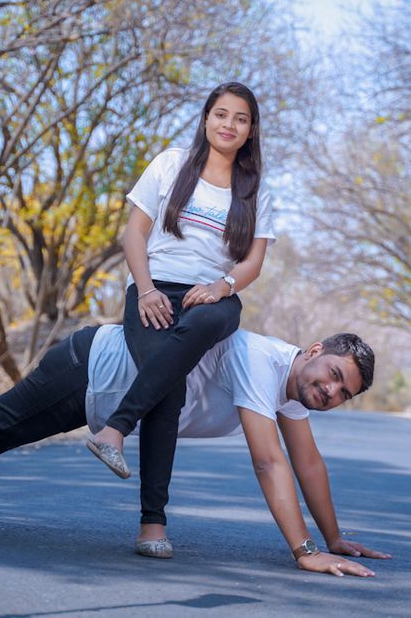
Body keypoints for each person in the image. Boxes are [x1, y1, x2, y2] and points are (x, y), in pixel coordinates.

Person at [0, 325, 390, 576]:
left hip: (96, 392)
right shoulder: (265, 361)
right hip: (88, 370)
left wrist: (334, 537)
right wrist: (305, 550)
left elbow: (307, 462)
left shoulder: (292, 388)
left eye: (343, 393)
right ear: (313, 351)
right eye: (333, 374)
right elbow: (270, 461)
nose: (331, 391)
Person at [86, 82, 275, 554]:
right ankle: (153, 527)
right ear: (206, 118)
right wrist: (145, 290)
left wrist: (221, 287)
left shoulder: (255, 191)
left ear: (251, 130)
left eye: (241, 119)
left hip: (212, 296)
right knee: (169, 389)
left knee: (210, 323)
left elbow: (252, 263)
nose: (229, 125)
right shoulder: (172, 163)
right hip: (154, 290)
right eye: (221, 114)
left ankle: (116, 428)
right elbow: (134, 233)